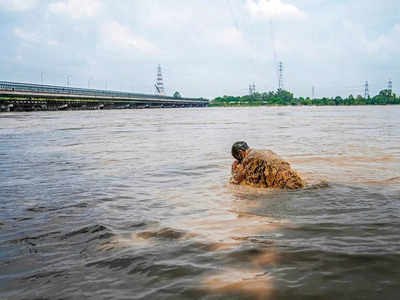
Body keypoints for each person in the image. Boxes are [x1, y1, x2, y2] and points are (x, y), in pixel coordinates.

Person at [230, 141, 305, 189]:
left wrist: (234, 171)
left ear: (240, 153)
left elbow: (236, 181)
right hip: (294, 180)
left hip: (284, 186)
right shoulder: (264, 151)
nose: (240, 161)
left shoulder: (249, 158)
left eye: (238, 158)